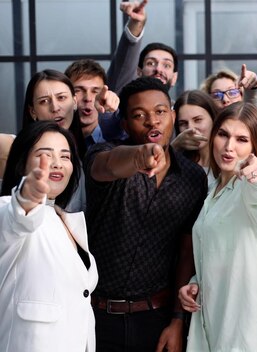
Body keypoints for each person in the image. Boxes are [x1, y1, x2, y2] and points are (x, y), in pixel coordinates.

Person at [85, 77, 207, 352]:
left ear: (173, 116)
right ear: (125, 124)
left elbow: (186, 252)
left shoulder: (193, 177)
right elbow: (108, 166)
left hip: (156, 318)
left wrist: (177, 320)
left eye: (160, 112)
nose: (152, 121)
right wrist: (141, 156)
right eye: (140, 116)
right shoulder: (104, 154)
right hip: (95, 317)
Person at [179, 102, 257, 351]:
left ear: (255, 147)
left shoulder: (252, 188)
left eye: (241, 139)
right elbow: (217, 249)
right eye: (223, 135)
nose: (229, 147)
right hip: (213, 324)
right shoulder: (211, 190)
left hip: (249, 330)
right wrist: (196, 282)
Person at [0, 121, 98, 352]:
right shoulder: (7, 209)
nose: (56, 164)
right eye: (45, 155)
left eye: (65, 156)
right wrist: (28, 193)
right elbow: (19, 217)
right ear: (22, 162)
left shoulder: (64, 219)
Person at [20, 69, 89, 212]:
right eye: (44, 101)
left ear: (74, 101)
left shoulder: (88, 152)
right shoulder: (19, 150)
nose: (55, 108)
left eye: (61, 98)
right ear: (33, 111)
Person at [64, 59, 120, 147]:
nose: (88, 98)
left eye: (95, 91)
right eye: (78, 90)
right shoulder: (55, 140)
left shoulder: (117, 138)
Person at [171, 89, 218, 184]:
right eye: (183, 123)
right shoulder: (177, 162)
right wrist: (174, 147)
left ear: (213, 118)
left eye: (198, 120)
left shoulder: (228, 157)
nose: (191, 129)